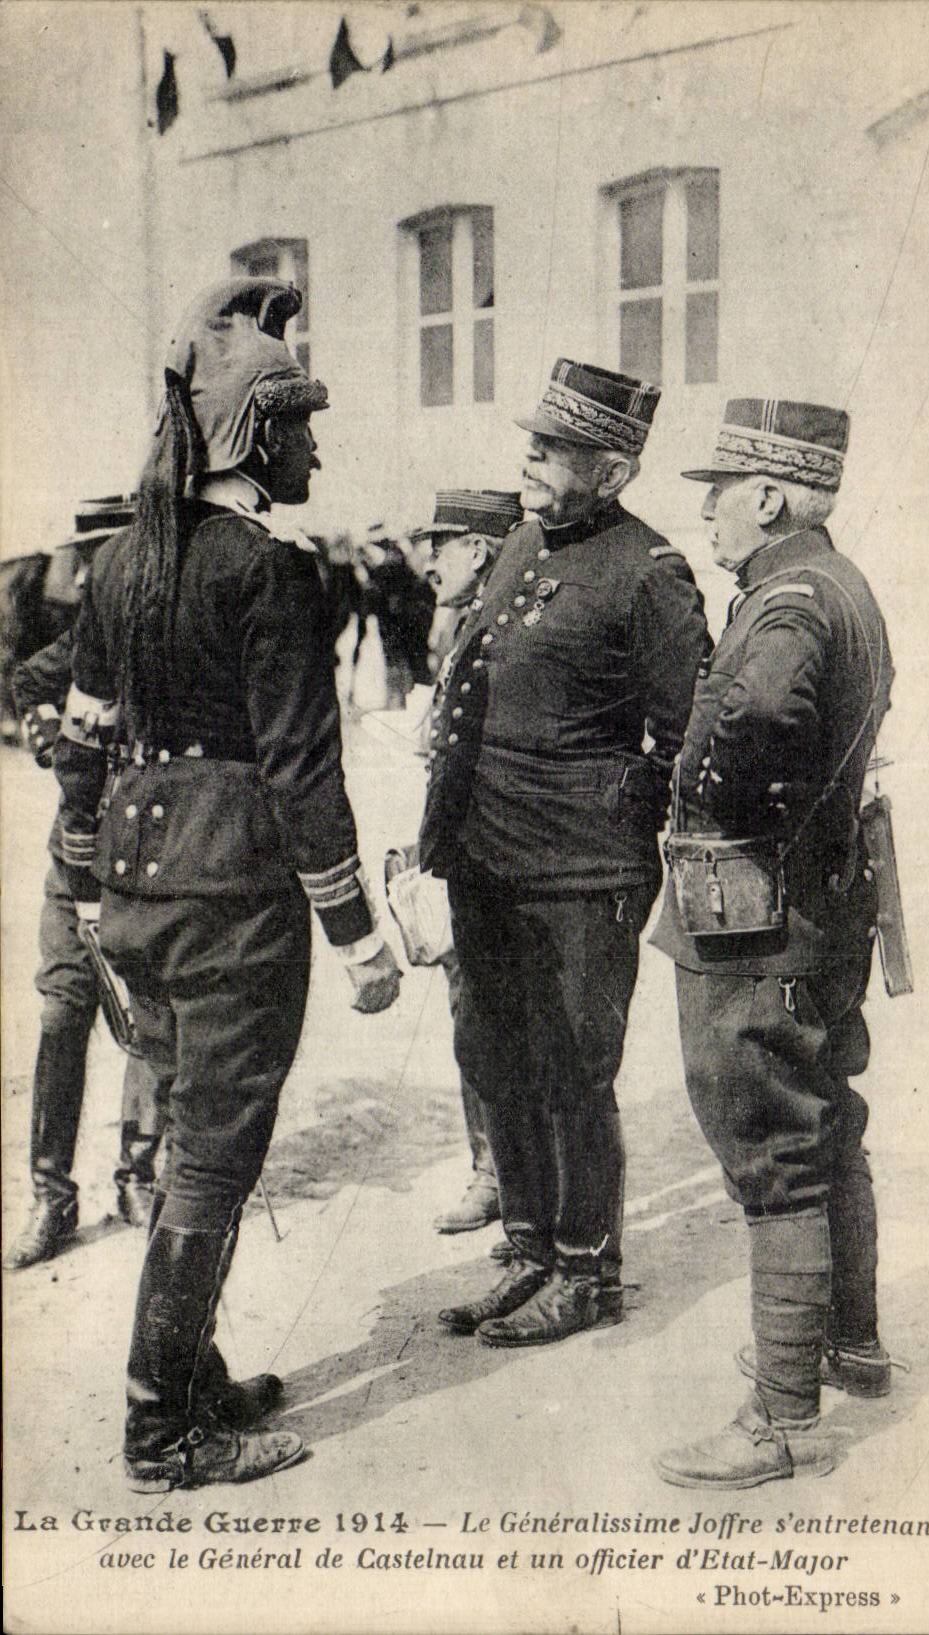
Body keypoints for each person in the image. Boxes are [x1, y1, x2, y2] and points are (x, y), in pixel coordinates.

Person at [53, 277, 401, 1492]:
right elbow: (303, 770)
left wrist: (84, 885)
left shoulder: (121, 566)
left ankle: (189, 1372)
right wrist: (357, 933)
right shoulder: (270, 570)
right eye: (299, 423)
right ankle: (164, 1428)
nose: (315, 444)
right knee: (214, 1157)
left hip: (141, 891)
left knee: (194, 1138)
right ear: (257, 433)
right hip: (234, 899)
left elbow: (85, 742)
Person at [419, 360, 709, 1347]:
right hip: (485, 858)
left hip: (581, 874)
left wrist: (613, 828)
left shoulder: (650, 570)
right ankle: (529, 1250)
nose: (529, 462)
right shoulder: (521, 546)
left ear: (614, 472)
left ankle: (587, 1269)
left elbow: (685, 739)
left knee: (573, 1072)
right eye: (532, 445)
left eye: (552, 450)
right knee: (500, 1061)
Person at [650, 397, 895, 1489]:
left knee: (772, 1142)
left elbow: (749, 724)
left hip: (760, 914)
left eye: (716, 493)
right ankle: (847, 1344)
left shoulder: (787, 599)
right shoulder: (834, 583)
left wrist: (700, 804)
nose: (704, 515)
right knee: (826, 1119)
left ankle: (780, 1422)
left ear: (767, 495)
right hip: (820, 904)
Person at [4, 627, 170, 1270]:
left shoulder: (189, 626)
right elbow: (26, 680)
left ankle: (138, 1174)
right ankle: (51, 1196)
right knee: (62, 1011)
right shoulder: (99, 629)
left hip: (151, 861)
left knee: (152, 1011)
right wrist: (44, 731)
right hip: (75, 861)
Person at [408, 489, 524, 1234]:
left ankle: (505, 1178)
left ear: (479, 550)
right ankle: (492, 1169)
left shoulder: (502, 625)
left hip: (499, 853)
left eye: (439, 546)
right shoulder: (466, 623)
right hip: (465, 848)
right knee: (469, 1014)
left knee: (494, 1018)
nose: (427, 563)